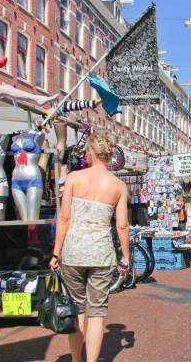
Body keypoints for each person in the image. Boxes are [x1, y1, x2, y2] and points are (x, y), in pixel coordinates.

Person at [50, 133, 129, 362]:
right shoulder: (118, 186)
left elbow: (64, 219)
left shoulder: (74, 178)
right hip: (101, 255)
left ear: (91, 153)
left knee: (77, 309)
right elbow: (122, 226)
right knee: (96, 313)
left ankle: (76, 359)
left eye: (86, 151)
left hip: (74, 251)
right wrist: (125, 257)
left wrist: (56, 252)